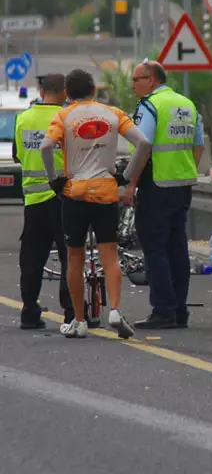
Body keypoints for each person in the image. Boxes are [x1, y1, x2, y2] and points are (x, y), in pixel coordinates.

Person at [40, 69, 152, 339]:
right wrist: (125, 177)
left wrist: (54, 180)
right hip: (106, 191)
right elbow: (144, 143)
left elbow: (45, 147)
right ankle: (114, 309)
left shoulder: (63, 116)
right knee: (109, 255)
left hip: (75, 192)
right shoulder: (113, 113)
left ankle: (79, 319)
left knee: (75, 257)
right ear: (93, 89)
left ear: (67, 93)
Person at [128, 59, 204, 330]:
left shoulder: (150, 105)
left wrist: (129, 184)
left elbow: (143, 146)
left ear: (151, 79)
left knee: (155, 249)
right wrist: (186, 168)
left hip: (156, 185)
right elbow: (199, 145)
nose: (133, 85)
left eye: (136, 79)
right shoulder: (187, 104)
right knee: (177, 248)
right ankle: (179, 309)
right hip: (182, 185)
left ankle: (163, 310)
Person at [13, 73, 73, 329]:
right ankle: (71, 312)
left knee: (32, 258)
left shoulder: (24, 117)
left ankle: (29, 311)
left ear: (42, 91)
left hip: (34, 200)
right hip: (63, 197)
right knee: (70, 255)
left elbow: (17, 156)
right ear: (63, 91)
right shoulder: (67, 117)